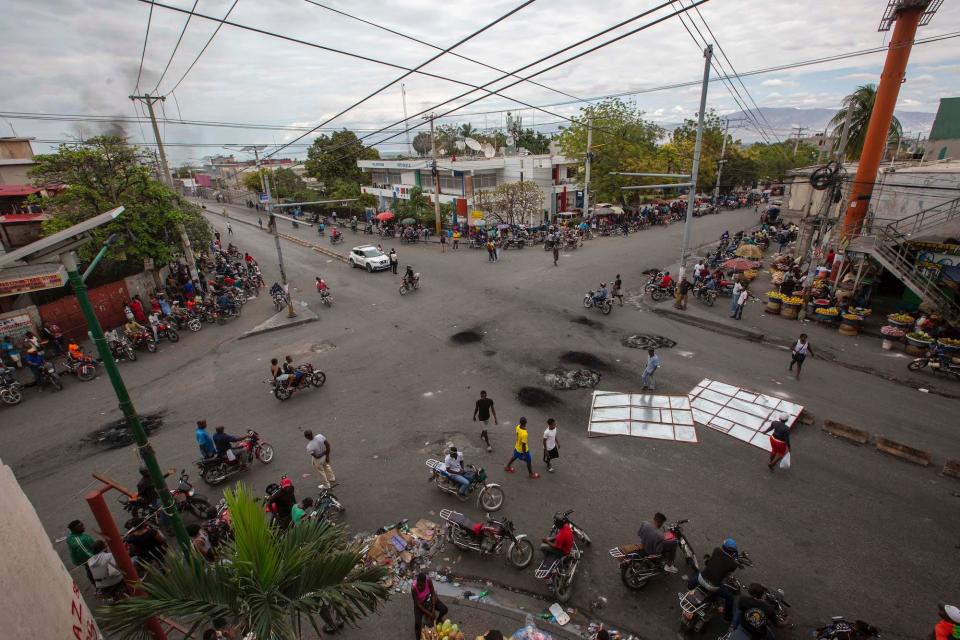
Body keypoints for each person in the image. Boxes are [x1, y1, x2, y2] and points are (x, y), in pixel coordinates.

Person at [688, 539, 741, 622]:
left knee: (692, 581)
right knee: (730, 598)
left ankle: (690, 589)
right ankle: (727, 618)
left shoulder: (716, 550)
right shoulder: (733, 564)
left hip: (701, 579)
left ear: (723, 547)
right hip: (714, 587)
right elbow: (728, 573)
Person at [412, 572, 449, 640]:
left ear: (425, 582)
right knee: (417, 623)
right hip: (420, 604)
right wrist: (429, 613)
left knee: (444, 609)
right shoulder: (414, 588)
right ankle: (418, 637)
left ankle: (438, 620)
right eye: (418, 585)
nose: (419, 587)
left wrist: (433, 609)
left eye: (421, 585)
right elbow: (417, 604)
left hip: (428, 599)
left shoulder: (428, 581)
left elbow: (433, 594)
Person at [66, 520, 97, 584]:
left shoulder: (71, 537)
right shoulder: (80, 541)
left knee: (90, 570)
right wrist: (98, 557)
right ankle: (97, 586)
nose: (84, 527)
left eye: (82, 525)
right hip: (87, 559)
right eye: (80, 526)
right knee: (92, 570)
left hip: (82, 559)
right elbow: (86, 554)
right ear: (74, 529)